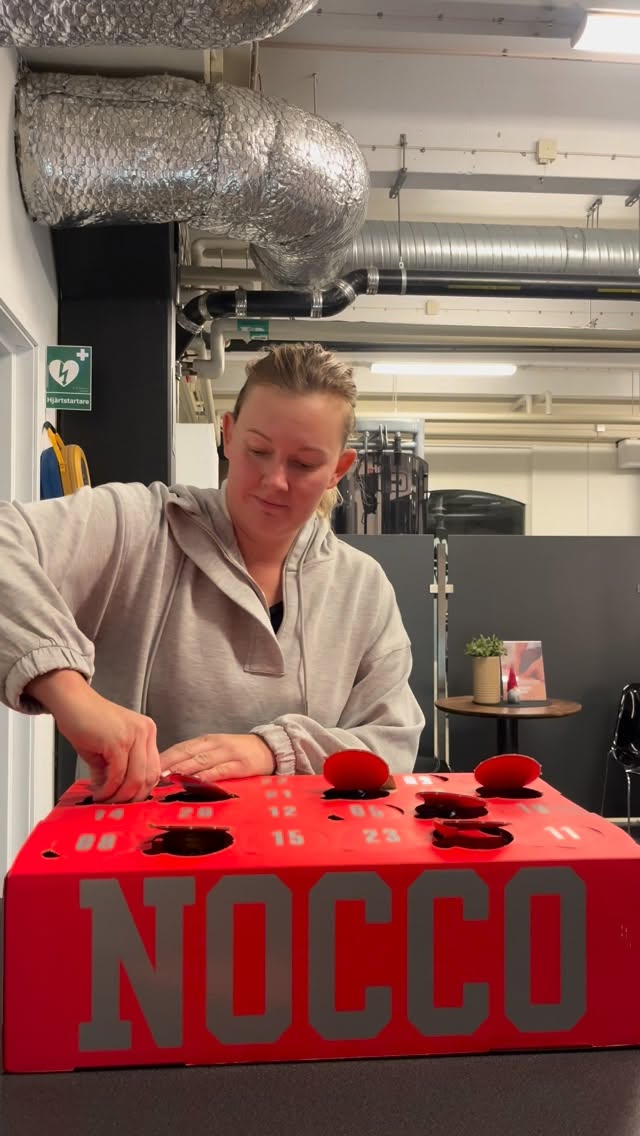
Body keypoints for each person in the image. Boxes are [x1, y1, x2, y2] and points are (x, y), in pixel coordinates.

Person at [0, 343, 425, 803]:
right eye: (258, 450)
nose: (274, 480)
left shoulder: (363, 587)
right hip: (139, 844)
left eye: (304, 464)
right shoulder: (139, 527)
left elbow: (391, 743)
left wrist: (275, 749)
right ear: (228, 434)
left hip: (310, 849)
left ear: (338, 470)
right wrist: (68, 692)